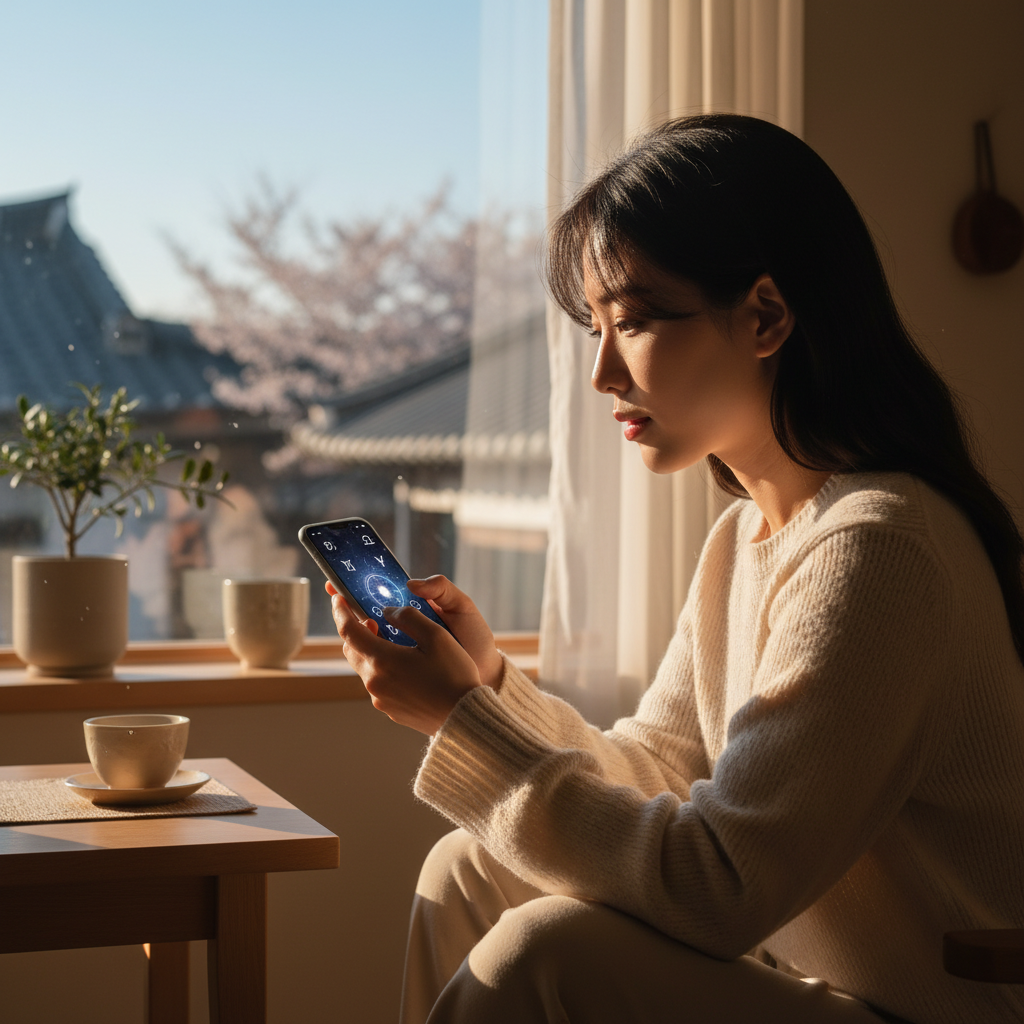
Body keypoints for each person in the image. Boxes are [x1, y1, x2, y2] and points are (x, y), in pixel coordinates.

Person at [330, 114, 1024, 1024]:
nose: (603, 373)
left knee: (546, 953)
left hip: (936, 1011)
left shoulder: (880, 546)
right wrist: (489, 689)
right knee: (468, 870)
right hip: (814, 988)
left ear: (767, 315)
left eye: (637, 321)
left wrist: (463, 724)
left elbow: (719, 886)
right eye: (596, 328)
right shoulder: (745, 539)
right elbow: (659, 771)